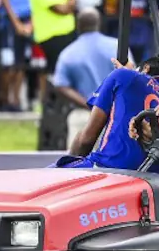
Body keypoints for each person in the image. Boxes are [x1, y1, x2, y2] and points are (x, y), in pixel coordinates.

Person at [53, 9, 127, 148]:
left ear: (78, 25)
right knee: (112, 168)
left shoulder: (68, 52)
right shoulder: (116, 46)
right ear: (98, 23)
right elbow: (130, 73)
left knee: (76, 165)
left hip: (83, 116)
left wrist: (90, 103)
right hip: (114, 116)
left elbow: (61, 85)